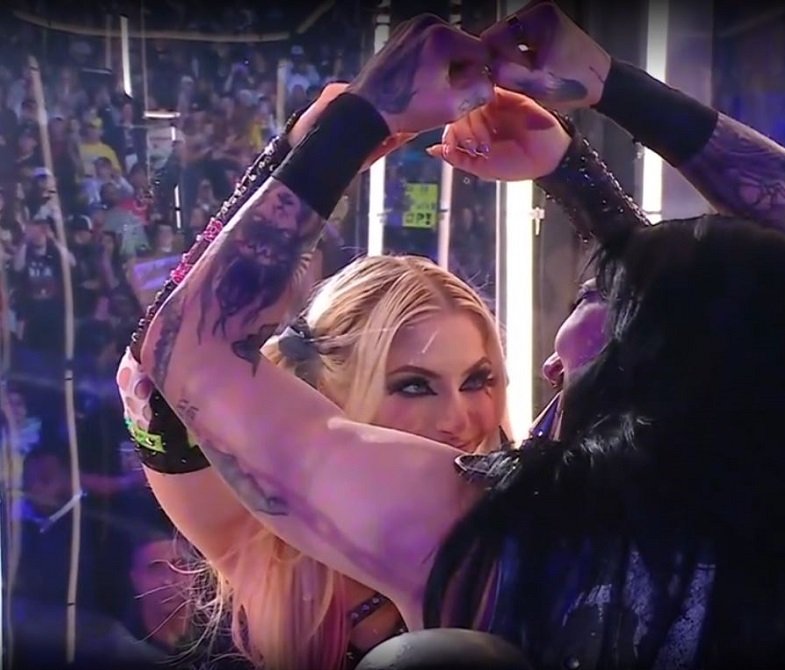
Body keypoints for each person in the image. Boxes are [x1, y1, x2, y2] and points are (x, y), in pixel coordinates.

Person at [125, 7, 785, 668]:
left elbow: (186, 352)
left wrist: (354, 123)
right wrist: (595, 116)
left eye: (480, 377)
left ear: (635, 352)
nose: (547, 361)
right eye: (415, 382)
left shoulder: (477, 534)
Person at [116, 84, 509, 670]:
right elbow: (153, 377)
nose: (458, 419)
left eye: (477, 380)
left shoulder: (516, 522)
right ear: (326, 389)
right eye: (413, 385)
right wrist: (309, 150)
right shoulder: (262, 539)